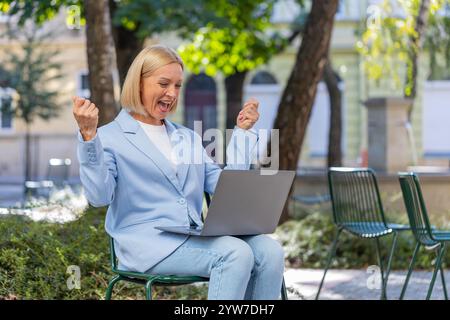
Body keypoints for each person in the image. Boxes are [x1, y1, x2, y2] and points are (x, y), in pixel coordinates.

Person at [73, 44, 285, 300]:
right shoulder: (107, 137)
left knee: (270, 252)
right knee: (234, 254)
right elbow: (98, 196)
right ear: (138, 83)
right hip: (146, 244)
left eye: (177, 86)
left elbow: (225, 190)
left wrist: (242, 135)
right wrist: (88, 137)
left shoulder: (187, 137)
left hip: (191, 235)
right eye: (163, 84)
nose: (172, 93)